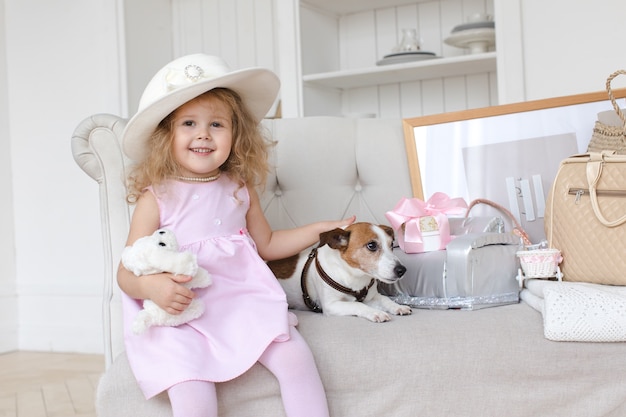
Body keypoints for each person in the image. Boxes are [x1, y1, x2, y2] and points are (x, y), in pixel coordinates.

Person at [117, 53, 354, 417]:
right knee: (192, 391)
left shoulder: (239, 188)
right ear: (167, 136)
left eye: (217, 124)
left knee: (296, 359)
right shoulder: (157, 197)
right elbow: (126, 271)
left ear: (235, 134)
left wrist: (317, 231)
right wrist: (152, 288)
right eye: (189, 123)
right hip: (183, 311)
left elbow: (268, 245)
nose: (203, 134)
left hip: (241, 303)